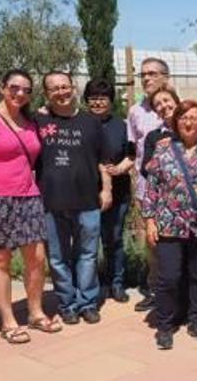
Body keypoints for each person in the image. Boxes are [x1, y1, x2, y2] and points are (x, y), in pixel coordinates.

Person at [0, 70, 62, 344]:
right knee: (0, 260)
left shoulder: (29, 121)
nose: (20, 93)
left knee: (37, 259)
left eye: (26, 90)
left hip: (28, 197)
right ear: (2, 88)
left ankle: (36, 312)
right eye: (14, 87)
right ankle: (8, 320)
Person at [143, 100, 197, 350]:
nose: (188, 122)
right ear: (175, 121)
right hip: (168, 224)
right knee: (168, 277)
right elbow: (152, 189)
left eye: (194, 117)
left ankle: (196, 321)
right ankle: (164, 325)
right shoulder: (163, 151)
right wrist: (149, 221)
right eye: (183, 117)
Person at [37, 71, 112, 325]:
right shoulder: (38, 120)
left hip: (88, 202)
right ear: (47, 94)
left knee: (88, 255)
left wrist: (107, 189)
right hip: (51, 202)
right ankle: (67, 303)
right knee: (58, 258)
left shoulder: (91, 122)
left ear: (73, 88)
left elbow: (103, 160)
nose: (61, 92)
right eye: (54, 89)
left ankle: (87, 302)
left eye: (65, 86)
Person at [83, 79, 135, 304]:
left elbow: (132, 153)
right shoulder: (80, 124)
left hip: (119, 191)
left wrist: (122, 166)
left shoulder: (121, 126)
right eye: (92, 98)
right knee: (88, 242)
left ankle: (117, 283)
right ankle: (95, 284)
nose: (97, 102)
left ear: (111, 101)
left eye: (102, 98)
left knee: (113, 238)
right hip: (85, 193)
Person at [128, 57, 170, 312]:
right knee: (152, 241)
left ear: (165, 76)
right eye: (143, 74)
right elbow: (133, 150)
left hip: (177, 190)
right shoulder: (135, 112)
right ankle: (155, 289)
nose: (146, 78)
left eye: (153, 73)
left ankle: (182, 290)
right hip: (147, 189)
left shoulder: (175, 107)